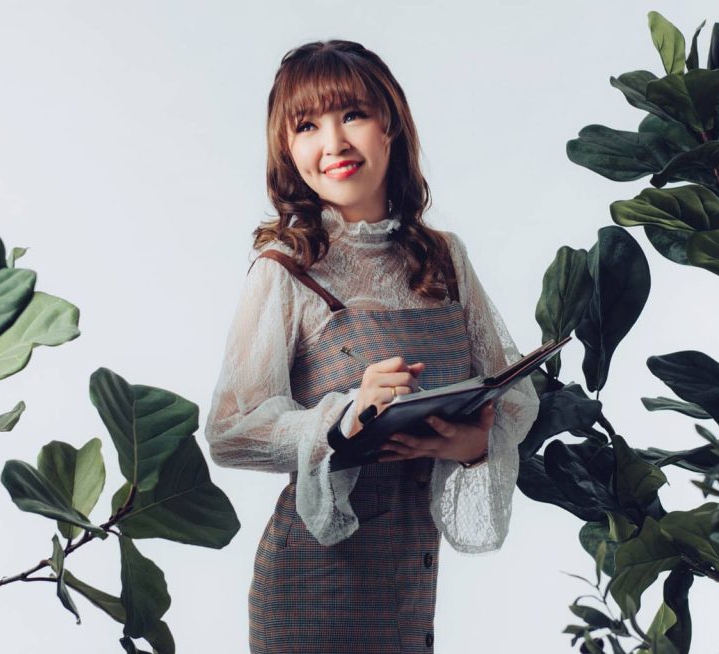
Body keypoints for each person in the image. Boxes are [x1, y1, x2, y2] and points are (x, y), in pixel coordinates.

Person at [204, 39, 539, 654]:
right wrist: (343, 418)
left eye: (352, 114)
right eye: (307, 126)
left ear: (391, 127)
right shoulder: (286, 268)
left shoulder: (444, 259)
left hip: (408, 584)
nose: (333, 142)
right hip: (310, 589)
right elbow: (229, 432)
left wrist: (472, 445)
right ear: (287, 149)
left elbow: (511, 396)